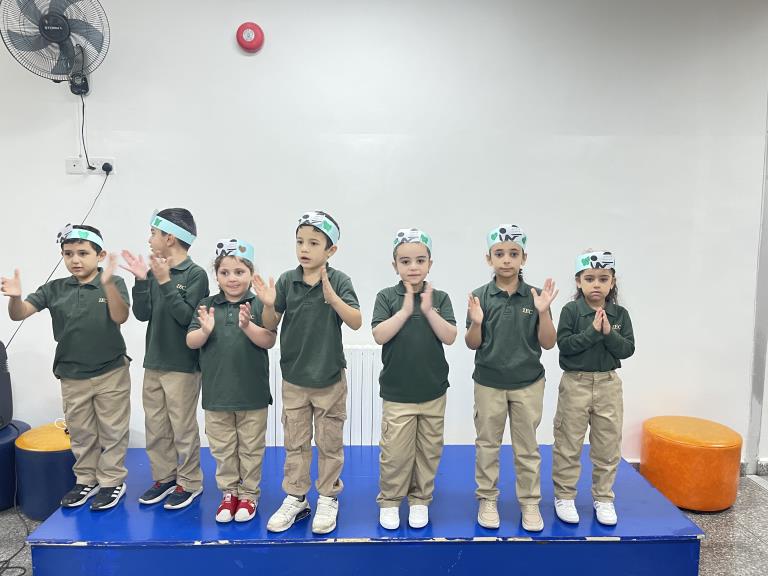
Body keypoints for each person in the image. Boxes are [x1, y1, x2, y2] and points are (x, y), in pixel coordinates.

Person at [552, 250, 634, 526]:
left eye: (603, 278)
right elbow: (565, 346)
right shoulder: (571, 311)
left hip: (608, 384)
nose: (596, 284)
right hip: (576, 382)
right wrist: (592, 332)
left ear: (612, 282)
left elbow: (627, 349)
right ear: (579, 281)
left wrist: (609, 332)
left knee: (607, 444)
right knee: (568, 442)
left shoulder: (620, 314)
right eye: (589, 279)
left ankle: (604, 497)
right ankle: (565, 496)